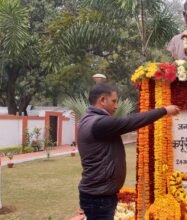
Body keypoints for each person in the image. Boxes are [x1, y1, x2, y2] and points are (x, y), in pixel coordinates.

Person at [77, 84, 180, 220]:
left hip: (99, 195)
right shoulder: (98, 123)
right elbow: (131, 121)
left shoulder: (90, 120)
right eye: (113, 101)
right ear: (102, 100)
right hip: (99, 198)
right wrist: (165, 110)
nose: (116, 106)